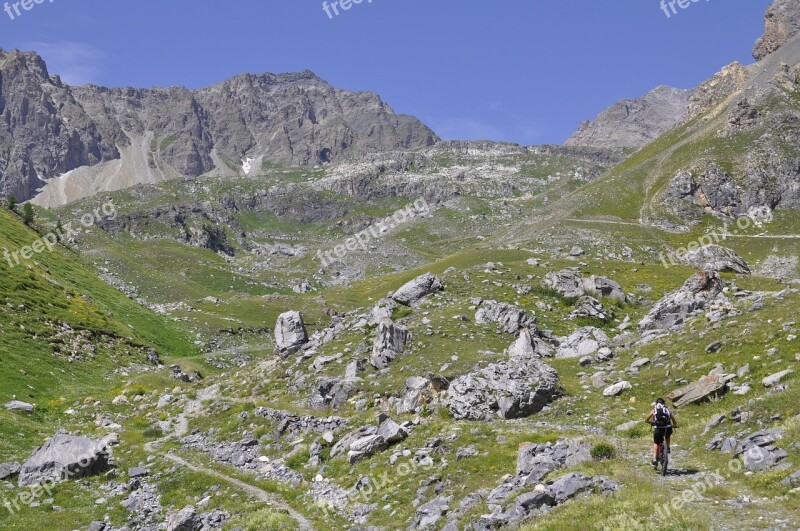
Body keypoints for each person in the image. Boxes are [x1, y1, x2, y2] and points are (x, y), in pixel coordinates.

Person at [645, 398, 677, 467]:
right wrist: (674, 424)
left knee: (656, 443)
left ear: (656, 403)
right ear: (664, 403)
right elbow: (673, 419)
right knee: (667, 436)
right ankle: (667, 447)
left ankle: (654, 459)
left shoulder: (654, 409)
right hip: (667, 428)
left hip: (658, 428)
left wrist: (649, 422)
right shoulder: (667, 409)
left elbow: (647, 419)